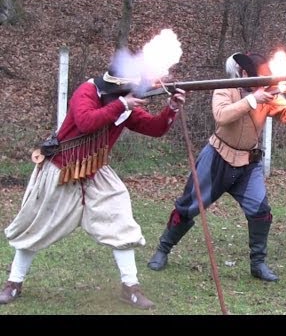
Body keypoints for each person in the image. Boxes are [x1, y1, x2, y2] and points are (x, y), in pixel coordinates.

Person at [0, 65, 186, 309]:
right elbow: (87, 122)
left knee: (121, 221)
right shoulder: (87, 92)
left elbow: (155, 128)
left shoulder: (123, 105)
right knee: (36, 225)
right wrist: (122, 105)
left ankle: (130, 287)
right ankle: (14, 283)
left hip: (96, 170)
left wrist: (171, 108)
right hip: (62, 168)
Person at [147, 52, 286, 282]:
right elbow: (221, 116)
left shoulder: (268, 93)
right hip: (217, 158)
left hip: (248, 165)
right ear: (243, 74)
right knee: (188, 206)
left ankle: (258, 264)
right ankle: (163, 250)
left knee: (260, 211)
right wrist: (253, 100)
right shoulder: (224, 89)